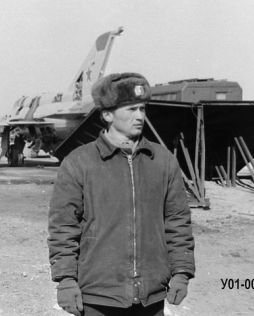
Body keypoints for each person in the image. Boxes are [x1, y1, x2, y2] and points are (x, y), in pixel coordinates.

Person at [47, 73, 195, 316]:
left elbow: (178, 221)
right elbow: (63, 227)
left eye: (142, 108)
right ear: (107, 115)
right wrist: (65, 279)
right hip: (98, 296)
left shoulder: (163, 161)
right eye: (131, 109)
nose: (140, 116)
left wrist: (181, 272)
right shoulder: (79, 163)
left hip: (151, 296)